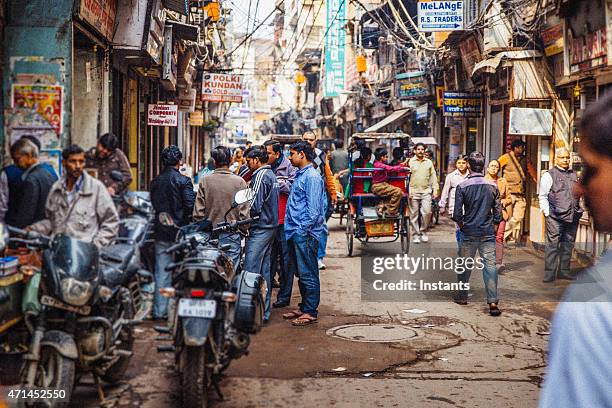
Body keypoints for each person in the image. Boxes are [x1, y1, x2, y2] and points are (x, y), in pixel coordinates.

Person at [539, 92, 612, 408]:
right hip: (556, 216)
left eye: (591, 170)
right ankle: (551, 271)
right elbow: (546, 196)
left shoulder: (593, 308)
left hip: (570, 218)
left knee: (565, 248)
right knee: (555, 247)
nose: (580, 186)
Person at [28, 145, 119, 247]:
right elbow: (51, 221)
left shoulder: (96, 188)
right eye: (73, 161)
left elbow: (111, 222)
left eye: (81, 161)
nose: (78, 166)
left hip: (85, 254)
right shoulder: (56, 189)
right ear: (64, 163)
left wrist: (95, 246)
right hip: (59, 252)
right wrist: (33, 229)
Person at [452, 152, 502, 316]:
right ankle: (493, 302)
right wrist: (492, 227)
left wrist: (462, 226)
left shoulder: (462, 186)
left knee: (464, 266)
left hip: (468, 231)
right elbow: (498, 214)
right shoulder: (493, 186)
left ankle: (462, 297)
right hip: (487, 232)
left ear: (469, 166)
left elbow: (458, 214)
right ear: (483, 166)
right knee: (490, 267)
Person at [282, 141, 326, 326]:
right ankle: (304, 306)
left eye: (292, 153)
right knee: (301, 272)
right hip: (295, 232)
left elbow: (314, 211)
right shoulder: (301, 174)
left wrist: (301, 230)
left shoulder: (312, 177)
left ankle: (310, 311)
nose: (289, 157)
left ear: (301, 154)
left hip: (305, 233)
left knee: (308, 272)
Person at [150, 145, 196, 320]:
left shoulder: (155, 181)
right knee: (187, 271)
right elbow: (190, 207)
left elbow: (154, 206)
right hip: (181, 234)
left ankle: (160, 311)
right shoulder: (183, 181)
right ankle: (184, 312)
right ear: (180, 161)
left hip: (161, 232)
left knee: (162, 271)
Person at [193, 146, 249, 267]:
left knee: (211, 273)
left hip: (209, 236)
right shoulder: (240, 182)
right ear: (230, 160)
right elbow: (244, 215)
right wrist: (242, 232)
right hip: (232, 235)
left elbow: (198, 214)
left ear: (214, 162)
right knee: (230, 274)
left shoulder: (205, 181)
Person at [243, 146, 279, 323]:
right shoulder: (271, 175)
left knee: (250, 270)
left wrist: (241, 219)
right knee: (264, 271)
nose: (247, 165)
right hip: (269, 227)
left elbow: (253, 206)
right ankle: (263, 313)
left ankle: (248, 314)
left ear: (256, 160)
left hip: (261, 228)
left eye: (248, 161)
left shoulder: (261, 176)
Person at [538, 147, 582, 282]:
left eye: (567, 157)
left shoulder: (574, 175)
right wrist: (547, 213)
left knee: (568, 244)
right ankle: (549, 273)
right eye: (562, 157)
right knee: (553, 245)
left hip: (572, 216)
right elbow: (543, 196)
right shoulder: (549, 175)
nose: (565, 160)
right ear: (556, 159)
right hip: (555, 217)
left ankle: (564, 271)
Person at [263, 140, 297, 308]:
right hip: (267, 222)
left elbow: (294, 188)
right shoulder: (263, 167)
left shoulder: (289, 167)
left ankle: (284, 297)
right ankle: (265, 296)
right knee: (268, 261)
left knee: (286, 262)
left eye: (268, 152)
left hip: (284, 222)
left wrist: (276, 182)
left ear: (277, 154)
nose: (265, 155)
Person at [0, 135, 58, 223]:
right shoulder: (50, 171)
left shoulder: (31, 180)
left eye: (17, 159)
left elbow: (26, 215)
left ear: (29, 156)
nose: (16, 164)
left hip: (33, 229)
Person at [302, 131, 337, 270]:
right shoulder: (295, 154)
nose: (308, 141)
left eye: (311, 139)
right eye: (306, 139)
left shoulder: (320, 155)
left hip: (319, 194)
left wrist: (333, 192)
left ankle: (319, 257)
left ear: (315, 141)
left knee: (321, 226)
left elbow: (327, 174)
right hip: (302, 194)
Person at [498, 139, 536, 242]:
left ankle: (501, 236)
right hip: (508, 193)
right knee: (508, 217)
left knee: (518, 217)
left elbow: (532, 173)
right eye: (521, 147)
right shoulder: (505, 158)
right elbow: (495, 168)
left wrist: (538, 181)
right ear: (515, 148)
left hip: (520, 193)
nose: (523, 149)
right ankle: (508, 238)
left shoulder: (525, 159)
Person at [409, 142, 439, 243]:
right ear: (415, 151)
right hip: (413, 191)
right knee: (414, 214)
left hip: (426, 191)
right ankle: (415, 234)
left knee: (427, 212)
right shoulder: (410, 162)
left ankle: (423, 231)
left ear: (424, 151)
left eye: (422, 149)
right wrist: (408, 191)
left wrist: (435, 189)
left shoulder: (429, 162)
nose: (420, 151)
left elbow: (433, 176)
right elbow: (407, 178)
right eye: (418, 149)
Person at [484, 159, 512, 271]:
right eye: (492, 166)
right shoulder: (483, 181)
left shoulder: (503, 181)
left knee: (499, 237)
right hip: (486, 214)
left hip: (500, 213)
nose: (494, 168)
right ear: (487, 168)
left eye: (496, 166)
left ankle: (498, 262)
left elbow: (509, 198)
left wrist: (502, 202)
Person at [370, 148, 409, 217]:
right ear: (382, 157)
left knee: (399, 193)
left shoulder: (379, 163)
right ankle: (391, 212)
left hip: (383, 185)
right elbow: (390, 168)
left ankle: (382, 206)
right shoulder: (379, 164)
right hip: (378, 186)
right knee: (398, 192)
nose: (387, 158)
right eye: (386, 156)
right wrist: (402, 168)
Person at [439, 155, 470, 243]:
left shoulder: (471, 176)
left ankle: (465, 245)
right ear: (456, 164)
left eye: (463, 163)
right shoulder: (451, 176)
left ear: (467, 164)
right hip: (455, 206)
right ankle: (461, 246)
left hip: (469, 206)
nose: (461, 165)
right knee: (458, 227)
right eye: (459, 163)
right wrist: (442, 205)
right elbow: (445, 191)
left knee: (467, 228)